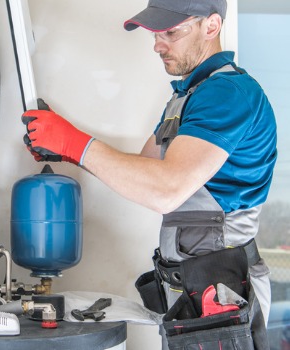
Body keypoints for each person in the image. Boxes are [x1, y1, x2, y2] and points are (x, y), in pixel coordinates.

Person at [21, 0, 277, 348]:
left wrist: (77, 142)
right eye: (155, 33)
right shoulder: (189, 96)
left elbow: (165, 189)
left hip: (224, 290)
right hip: (198, 287)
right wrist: (68, 152)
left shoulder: (227, 93)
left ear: (211, 26)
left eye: (171, 31)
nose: (157, 44)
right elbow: (143, 172)